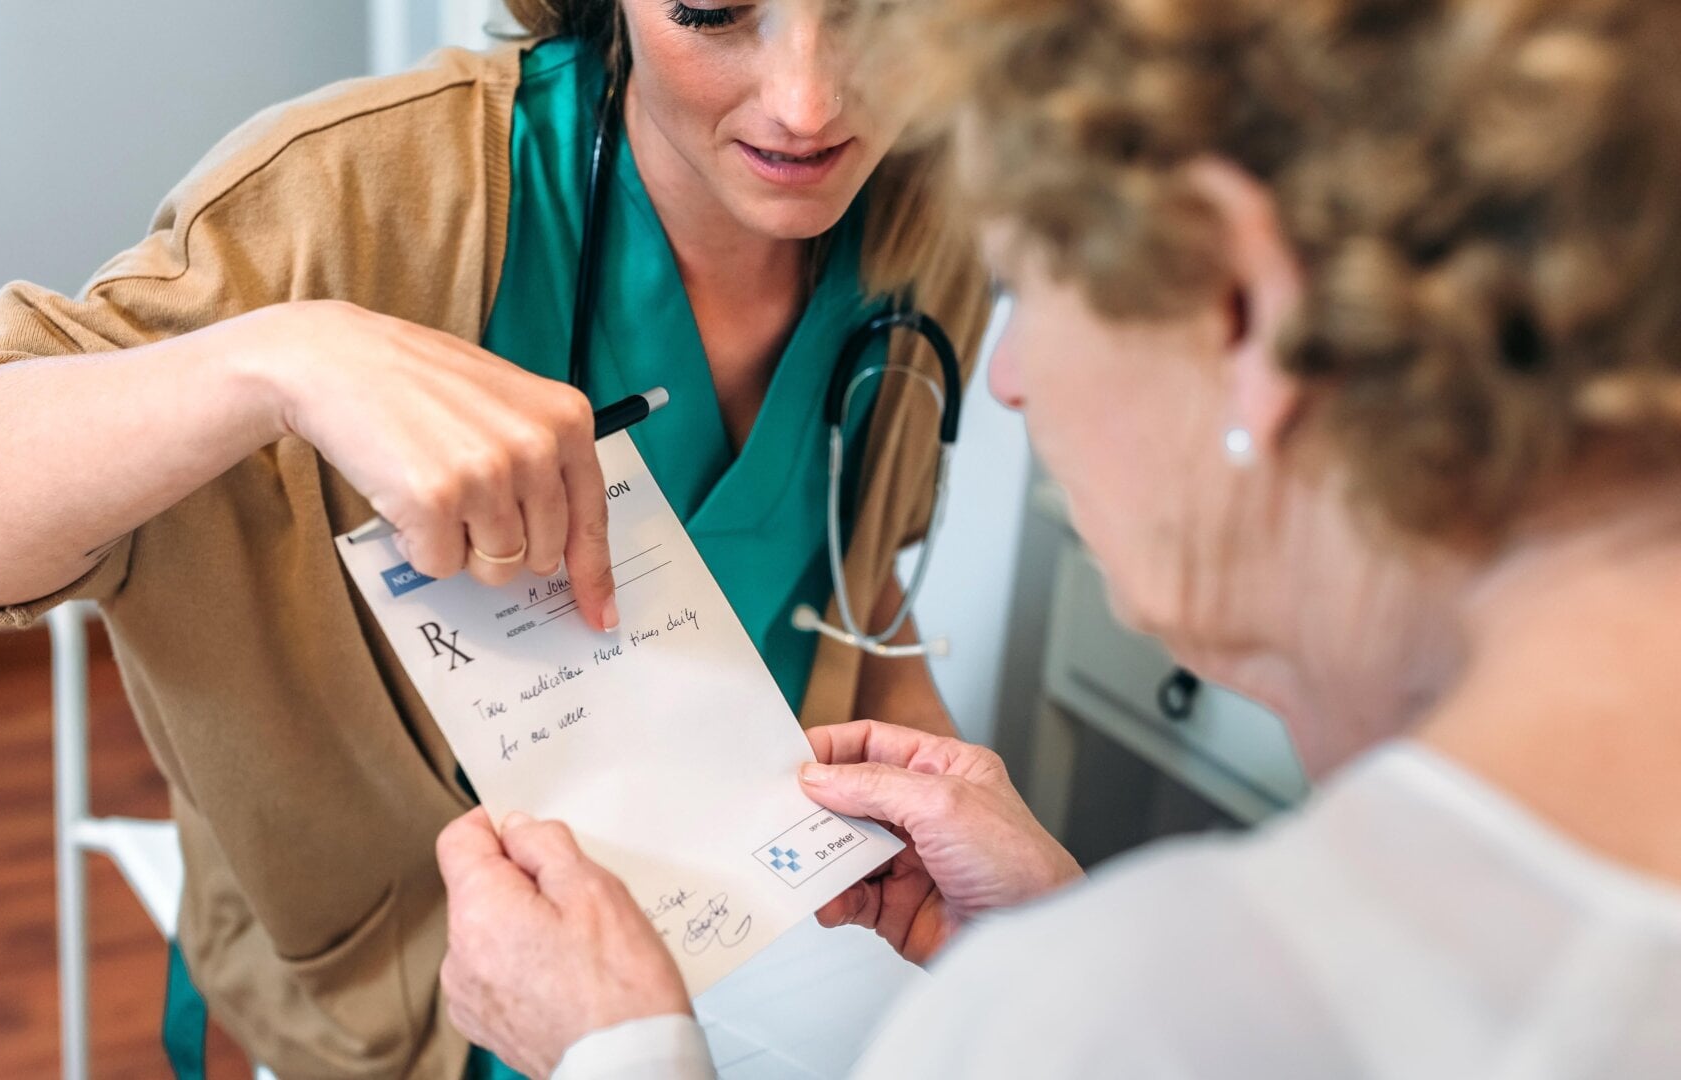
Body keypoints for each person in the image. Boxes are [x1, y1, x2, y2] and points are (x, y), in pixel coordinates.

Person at [435, 0, 1681, 1075]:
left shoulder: (1111, 1019)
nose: (1013, 377)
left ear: (1249, 304)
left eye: (1033, 289)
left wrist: (622, 1058)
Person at [0, 2, 993, 1077]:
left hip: (767, 911)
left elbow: (853, 564)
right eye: (712, 9)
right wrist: (280, 359)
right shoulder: (354, 200)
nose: (809, 103)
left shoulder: (930, 210)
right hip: (387, 990)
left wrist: (961, 861)